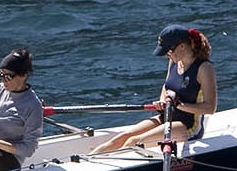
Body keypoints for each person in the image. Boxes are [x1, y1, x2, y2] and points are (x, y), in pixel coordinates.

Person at [92, 25, 217, 153]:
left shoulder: (204, 68)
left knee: (134, 141)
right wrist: (162, 101)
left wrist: (179, 105)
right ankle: (86, 161)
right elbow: (166, 86)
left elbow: (210, 108)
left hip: (187, 125)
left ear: (182, 46)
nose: (167, 56)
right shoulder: (174, 61)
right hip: (167, 116)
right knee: (120, 138)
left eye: (169, 51)